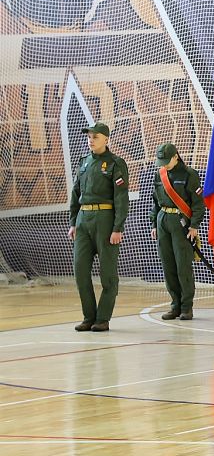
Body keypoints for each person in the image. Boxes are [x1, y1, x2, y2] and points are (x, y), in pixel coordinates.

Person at [67, 122, 128, 332]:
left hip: (105, 220)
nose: (91, 140)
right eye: (89, 137)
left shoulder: (115, 163)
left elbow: (121, 198)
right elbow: (75, 194)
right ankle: (88, 317)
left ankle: (102, 318)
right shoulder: (83, 162)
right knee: (80, 271)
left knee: (107, 274)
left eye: (95, 137)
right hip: (83, 220)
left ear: (106, 139)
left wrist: (118, 227)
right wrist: (73, 223)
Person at [150, 143, 203, 320]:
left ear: (175, 157)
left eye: (166, 161)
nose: (163, 165)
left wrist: (194, 226)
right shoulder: (159, 174)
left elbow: (198, 203)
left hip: (181, 222)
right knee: (168, 265)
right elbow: (155, 201)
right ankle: (175, 305)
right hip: (163, 220)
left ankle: (186, 307)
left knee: (183, 266)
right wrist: (154, 224)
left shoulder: (189, 174)